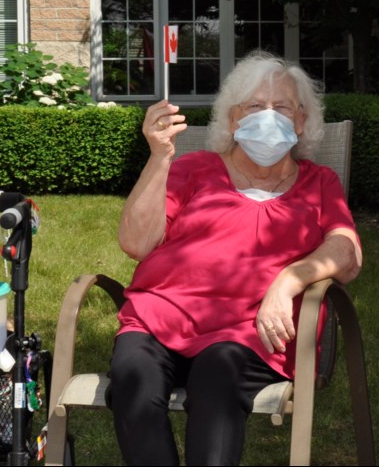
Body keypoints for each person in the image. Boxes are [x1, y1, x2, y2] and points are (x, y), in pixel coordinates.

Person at [109, 51, 362, 466]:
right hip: (160, 316)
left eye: (281, 107)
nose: (269, 116)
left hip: (248, 332)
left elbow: (346, 251)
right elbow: (136, 243)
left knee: (218, 376)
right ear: (232, 120)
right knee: (132, 376)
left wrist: (288, 280)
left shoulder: (319, 182)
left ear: (301, 121)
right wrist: (158, 158)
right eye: (255, 106)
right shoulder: (192, 169)